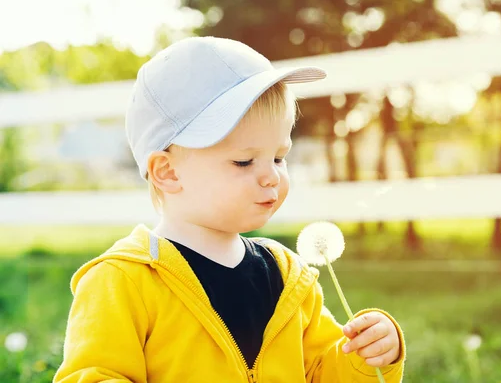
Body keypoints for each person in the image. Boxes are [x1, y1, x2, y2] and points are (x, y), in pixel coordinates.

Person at [54, 37, 406, 382]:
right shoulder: (123, 281)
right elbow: (91, 375)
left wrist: (367, 355)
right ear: (168, 172)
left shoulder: (287, 276)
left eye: (279, 157)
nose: (271, 175)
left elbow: (321, 373)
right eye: (243, 161)